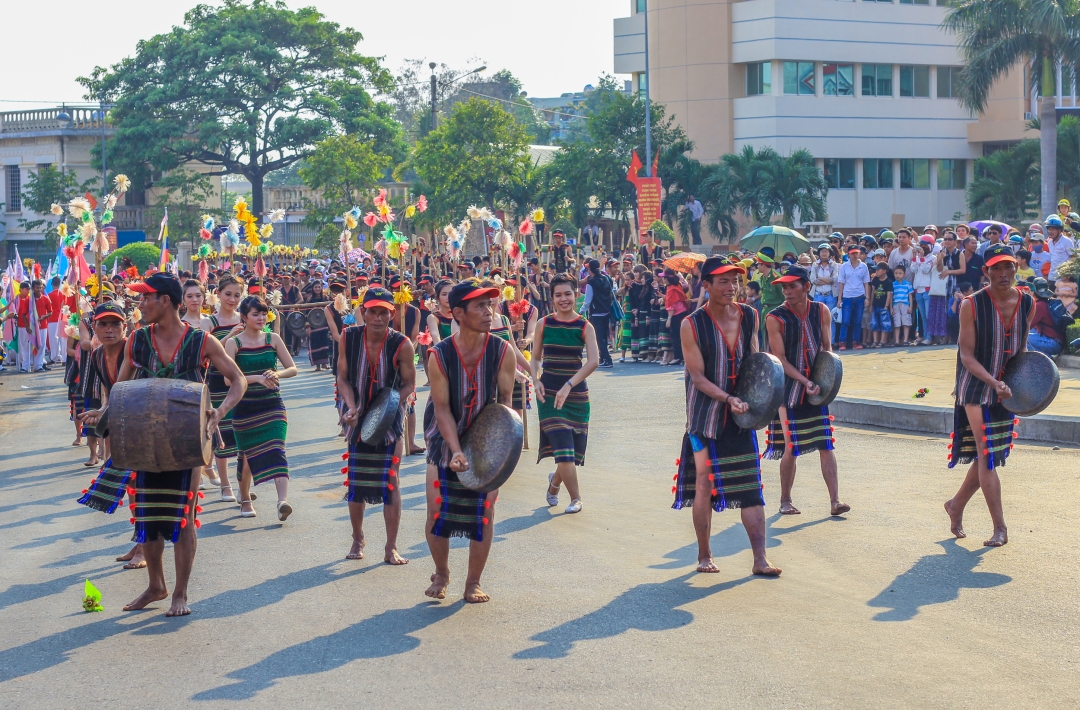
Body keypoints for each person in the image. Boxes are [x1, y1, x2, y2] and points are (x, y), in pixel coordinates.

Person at [80, 272, 247, 616]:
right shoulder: (137, 340)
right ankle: (156, 585)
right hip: (144, 435)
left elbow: (237, 380)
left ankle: (180, 594)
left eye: (146, 298)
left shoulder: (202, 341)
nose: (140, 305)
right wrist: (105, 410)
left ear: (165, 301)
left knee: (183, 515)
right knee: (148, 514)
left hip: (187, 439)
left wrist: (219, 413)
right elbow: (120, 387)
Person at [675, 256, 780, 576]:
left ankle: (760, 559)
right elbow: (698, 377)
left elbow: (755, 362)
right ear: (705, 285)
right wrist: (728, 398)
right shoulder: (691, 324)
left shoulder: (749, 315)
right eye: (722, 281)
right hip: (704, 420)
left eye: (735, 281)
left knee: (751, 486)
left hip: (741, 416)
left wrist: (760, 399)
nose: (731, 287)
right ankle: (704, 554)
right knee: (705, 486)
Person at [423, 280, 518, 603]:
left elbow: (506, 403)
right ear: (458, 313)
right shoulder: (439, 355)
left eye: (490, 305)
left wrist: (503, 451)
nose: (489, 312)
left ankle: (473, 582)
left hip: (485, 438)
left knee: (485, 512)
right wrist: (456, 450)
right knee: (437, 510)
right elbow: (442, 408)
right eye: (480, 306)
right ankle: (442, 572)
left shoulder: (502, 350)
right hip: (443, 436)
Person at [944, 244, 1034, 547]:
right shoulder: (971, 304)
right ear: (986, 272)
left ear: (1016, 268)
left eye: (1008, 266)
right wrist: (993, 382)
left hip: (1006, 387)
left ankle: (955, 505)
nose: (1003, 273)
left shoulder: (1027, 302)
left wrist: (1021, 385)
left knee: (990, 454)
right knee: (987, 454)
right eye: (996, 267)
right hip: (975, 385)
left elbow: (1022, 349)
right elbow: (966, 355)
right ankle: (1000, 528)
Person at [762, 265, 849, 517]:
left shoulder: (821, 310)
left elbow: (827, 350)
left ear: (806, 286)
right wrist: (804, 381)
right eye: (784, 287)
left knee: (826, 443)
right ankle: (785, 500)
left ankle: (835, 501)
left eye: (792, 286)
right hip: (787, 390)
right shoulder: (774, 317)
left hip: (816, 388)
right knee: (792, 446)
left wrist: (824, 380)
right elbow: (779, 358)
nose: (787, 291)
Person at [338, 287, 416, 564]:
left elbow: (409, 384)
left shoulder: (402, 343)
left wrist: (389, 406)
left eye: (384, 312)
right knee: (357, 481)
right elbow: (343, 377)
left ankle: (391, 547)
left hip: (390, 419)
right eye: (373, 311)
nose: (378, 317)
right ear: (363, 312)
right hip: (356, 415)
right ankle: (358, 538)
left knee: (391, 481)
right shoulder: (348, 337)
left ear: (392, 314)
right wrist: (350, 406)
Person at [76, 303, 145, 568]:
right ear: (94, 328)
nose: (109, 330)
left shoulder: (135, 348)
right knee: (130, 486)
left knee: (141, 486)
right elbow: (109, 392)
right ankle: (139, 541)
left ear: (124, 327)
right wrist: (102, 411)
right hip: (120, 423)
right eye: (103, 324)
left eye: (115, 324)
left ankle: (144, 548)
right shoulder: (95, 355)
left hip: (142, 423)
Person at [225, 297, 298, 521]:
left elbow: (292, 368)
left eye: (263, 313)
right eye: (255, 314)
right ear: (244, 317)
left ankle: (282, 501)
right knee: (247, 455)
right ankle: (245, 498)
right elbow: (229, 381)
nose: (260, 318)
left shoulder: (272, 338)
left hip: (272, 404)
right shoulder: (233, 343)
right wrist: (256, 377)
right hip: (244, 407)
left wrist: (277, 373)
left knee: (277, 447)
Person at [534, 273, 600, 515]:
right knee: (563, 446)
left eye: (568, 294)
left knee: (571, 451)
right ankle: (576, 498)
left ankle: (554, 484)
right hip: (549, 394)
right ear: (551, 298)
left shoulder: (585, 326)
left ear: (576, 294)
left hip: (576, 395)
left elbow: (593, 361)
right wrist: (535, 379)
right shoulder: (544, 324)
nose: (564, 299)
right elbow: (535, 358)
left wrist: (570, 384)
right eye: (558, 295)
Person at [204, 274, 243, 502]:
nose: (232, 299)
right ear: (217, 293)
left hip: (241, 381)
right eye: (228, 294)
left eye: (237, 295)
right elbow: (207, 351)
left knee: (241, 435)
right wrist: (231, 335)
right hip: (217, 383)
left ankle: (243, 486)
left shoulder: (244, 317)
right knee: (223, 435)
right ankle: (225, 484)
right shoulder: (210, 322)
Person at [580, 259, 615, 368]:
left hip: (596, 313)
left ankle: (607, 359)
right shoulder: (606, 279)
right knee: (603, 336)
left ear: (590, 270)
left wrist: (581, 311)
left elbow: (588, 300)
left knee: (598, 338)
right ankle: (603, 359)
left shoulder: (592, 282)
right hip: (606, 311)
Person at [836, 245, 870, 350]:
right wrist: (839, 299)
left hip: (860, 295)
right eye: (852, 253)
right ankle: (843, 342)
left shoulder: (863, 266)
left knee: (857, 321)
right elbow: (841, 283)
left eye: (856, 253)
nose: (855, 255)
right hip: (847, 296)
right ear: (848, 254)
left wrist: (867, 298)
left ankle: (856, 342)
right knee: (845, 321)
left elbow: (866, 283)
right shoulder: (844, 266)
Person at [1027, 278, 1065, 356]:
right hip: (1058, 342)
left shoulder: (1039, 306)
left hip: (1053, 343)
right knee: (1030, 333)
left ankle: (1046, 358)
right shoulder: (1047, 302)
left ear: (1033, 292)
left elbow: (1026, 326)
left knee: (1020, 338)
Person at [663, 271, 690, 366]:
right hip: (683, 313)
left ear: (667, 279)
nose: (663, 279)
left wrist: (669, 319)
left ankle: (678, 357)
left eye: (664, 277)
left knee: (676, 337)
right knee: (681, 337)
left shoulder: (671, 288)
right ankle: (682, 357)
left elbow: (671, 305)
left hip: (676, 315)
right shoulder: (676, 286)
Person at [1044, 215, 1076, 285]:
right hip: (1051, 278)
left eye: (1053, 229)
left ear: (1059, 230)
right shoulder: (1049, 243)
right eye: (1049, 229)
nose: (1050, 231)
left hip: (1064, 279)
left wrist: (1068, 274)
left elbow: (1073, 258)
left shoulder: (1067, 241)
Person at [869, 263, 893, 348]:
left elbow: (889, 294)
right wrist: (871, 304)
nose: (876, 272)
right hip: (875, 305)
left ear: (884, 271)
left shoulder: (888, 282)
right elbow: (873, 292)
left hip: (883, 306)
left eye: (878, 270)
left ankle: (883, 341)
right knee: (874, 323)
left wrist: (886, 306)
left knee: (885, 324)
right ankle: (875, 341)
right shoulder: (875, 279)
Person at [892, 265, 914, 346]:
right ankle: (897, 340)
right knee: (897, 323)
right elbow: (891, 296)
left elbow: (910, 296)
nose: (898, 275)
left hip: (905, 304)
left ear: (904, 274)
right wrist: (891, 307)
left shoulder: (907, 284)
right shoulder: (893, 284)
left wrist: (911, 306)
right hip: (895, 304)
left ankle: (905, 339)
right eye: (896, 273)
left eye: (900, 273)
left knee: (906, 322)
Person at [47, 275, 65, 364]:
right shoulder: (63, 294)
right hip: (61, 318)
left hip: (52, 319)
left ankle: (55, 356)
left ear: (52, 284)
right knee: (62, 339)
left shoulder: (49, 295)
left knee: (54, 340)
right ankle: (63, 356)